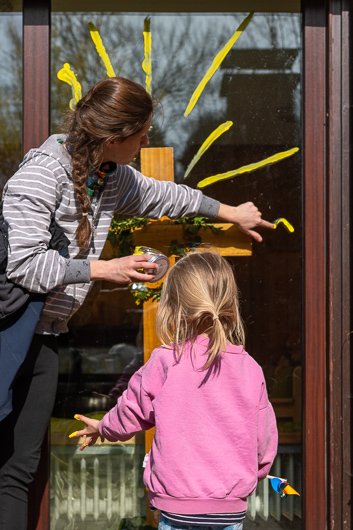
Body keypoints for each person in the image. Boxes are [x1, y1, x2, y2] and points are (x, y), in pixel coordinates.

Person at [0, 76, 273, 529]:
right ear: (114, 137)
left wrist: (230, 213)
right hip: (9, 334)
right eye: (142, 133)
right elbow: (23, 265)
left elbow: (167, 195)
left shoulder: (109, 178)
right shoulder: (39, 176)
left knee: (19, 468)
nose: (148, 141)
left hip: (43, 339)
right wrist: (106, 268)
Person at [72, 251, 278, 530]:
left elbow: (131, 410)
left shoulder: (166, 361)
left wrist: (103, 427)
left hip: (176, 504)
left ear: (175, 307)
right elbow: (263, 437)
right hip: (230, 505)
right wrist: (258, 471)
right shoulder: (250, 368)